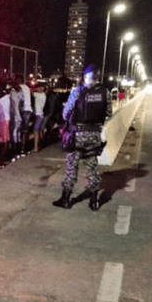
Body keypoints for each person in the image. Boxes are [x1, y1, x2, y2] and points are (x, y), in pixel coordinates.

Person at [53, 64, 112, 211]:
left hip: (77, 135)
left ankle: (66, 199)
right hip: (94, 135)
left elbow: (65, 114)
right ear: (98, 77)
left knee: (72, 166)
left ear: (85, 77)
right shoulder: (105, 92)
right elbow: (109, 113)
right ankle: (94, 202)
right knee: (92, 167)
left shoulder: (77, 91)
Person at [18, 75, 33, 153]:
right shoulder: (27, 87)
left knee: (22, 129)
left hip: (24, 110)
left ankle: (22, 147)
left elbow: (21, 100)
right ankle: (24, 147)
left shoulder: (20, 87)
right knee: (25, 129)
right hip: (28, 109)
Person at [32, 84, 47, 153]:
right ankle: (40, 145)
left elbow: (30, 92)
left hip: (38, 115)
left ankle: (35, 147)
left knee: (36, 132)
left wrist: (34, 89)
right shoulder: (44, 95)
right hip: (41, 114)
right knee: (40, 131)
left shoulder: (38, 95)